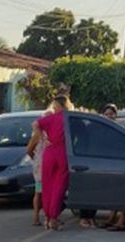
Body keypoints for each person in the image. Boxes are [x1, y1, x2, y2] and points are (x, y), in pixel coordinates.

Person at [34, 95, 72, 231]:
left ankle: (47, 218)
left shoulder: (52, 118)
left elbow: (35, 124)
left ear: (59, 106)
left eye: (55, 106)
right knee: (59, 188)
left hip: (49, 152)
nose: (54, 109)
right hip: (63, 152)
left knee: (48, 186)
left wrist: (44, 138)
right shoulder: (69, 118)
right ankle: (53, 219)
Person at [99, 103, 125, 232]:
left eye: (111, 114)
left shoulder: (121, 129)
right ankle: (111, 218)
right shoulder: (102, 130)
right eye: (106, 114)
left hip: (122, 164)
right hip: (109, 164)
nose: (109, 116)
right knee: (114, 193)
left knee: (122, 193)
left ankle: (122, 221)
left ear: (116, 115)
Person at [26, 108, 53, 227]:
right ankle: (36, 216)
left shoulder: (54, 132)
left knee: (51, 192)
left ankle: (50, 216)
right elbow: (29, 149)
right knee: (39, 192)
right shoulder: (38, 134)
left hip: (51, 165)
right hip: (41, 167)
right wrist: (36, 159)